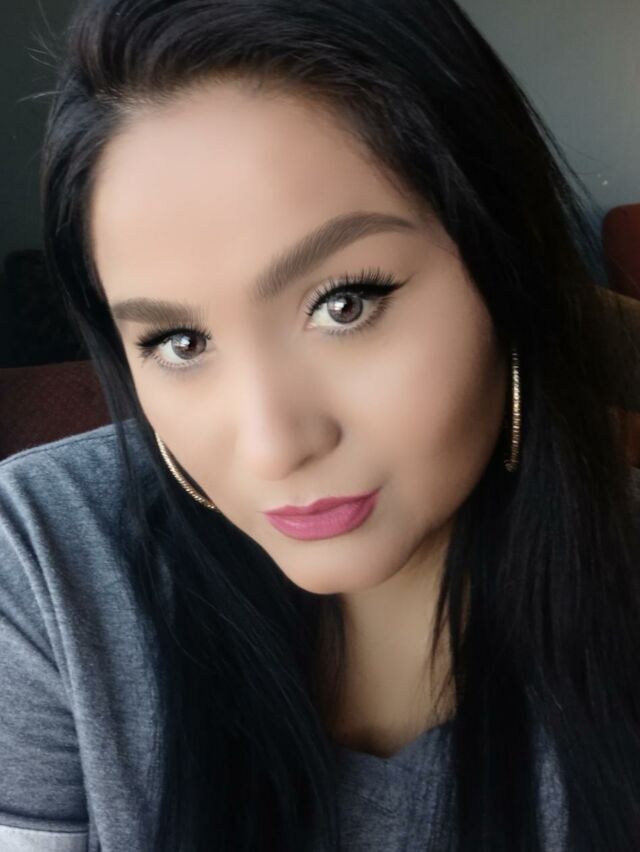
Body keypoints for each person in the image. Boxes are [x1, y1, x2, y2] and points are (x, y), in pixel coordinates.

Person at [1, 0, 639, 849]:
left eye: (345, 304)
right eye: (179, 342)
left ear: (505, 269)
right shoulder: (47, 559)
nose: (273, 446)